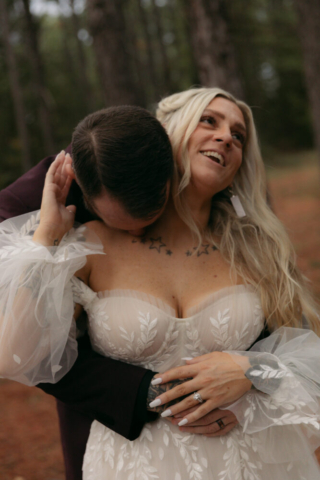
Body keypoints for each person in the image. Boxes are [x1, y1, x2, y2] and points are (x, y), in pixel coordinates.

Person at [1, 88, 320, 479]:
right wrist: (47, 238)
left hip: (250, 462)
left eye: (238, 136)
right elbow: (18, 354)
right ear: (169, 135)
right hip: (134, 463)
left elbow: (307, 361)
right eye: (209, 121)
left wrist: (251, 370)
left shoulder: (258, 249)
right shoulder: (91, 243)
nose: (226, 137)